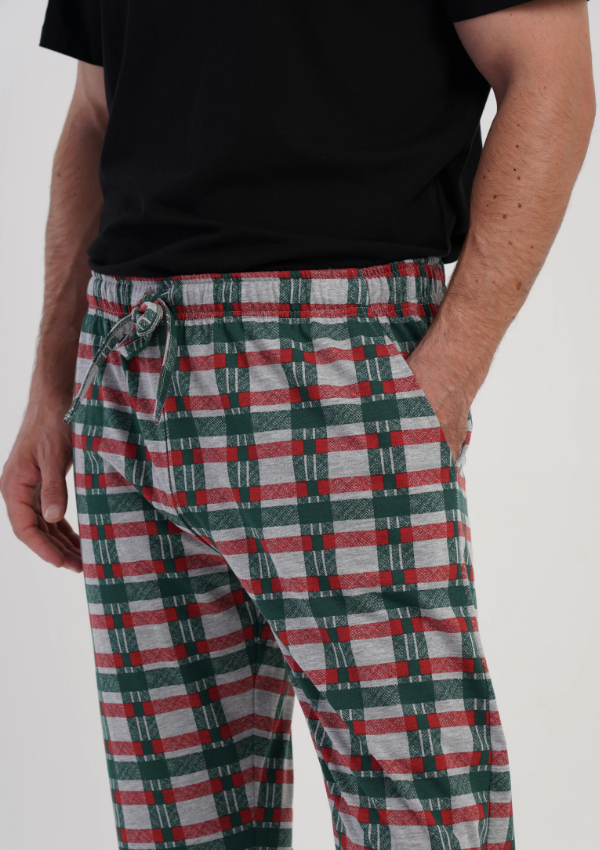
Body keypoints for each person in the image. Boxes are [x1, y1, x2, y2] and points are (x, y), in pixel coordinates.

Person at [1, 0, 594, 848]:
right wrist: (50, 384)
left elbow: (552, 78)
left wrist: (444, 378)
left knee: (421, 820)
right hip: (126, 361)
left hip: (333, 362)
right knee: (178, 826)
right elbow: (96, 110)